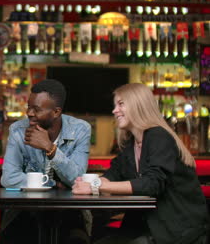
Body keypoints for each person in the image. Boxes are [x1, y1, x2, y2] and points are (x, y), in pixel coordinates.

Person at [72, 83, 209, 244]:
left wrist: (95, 186)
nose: (114, 111)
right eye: (115, 105)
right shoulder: (131, 144)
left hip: (177, 229)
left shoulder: (158, 136)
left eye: (121, 104)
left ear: (138, 105)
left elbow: (153, 183)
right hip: (146, 227)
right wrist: (88, 183)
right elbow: (112, 174)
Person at [0, 79, 92, 244]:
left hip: (69, 211)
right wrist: (52, 184)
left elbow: (77, 178)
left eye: (36, 109)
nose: (29, 113)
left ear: (56, 112)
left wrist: (50, 148)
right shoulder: (18, 130)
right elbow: (8, 178)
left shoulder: (80, 129)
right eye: (29, 107)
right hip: (25, 210)